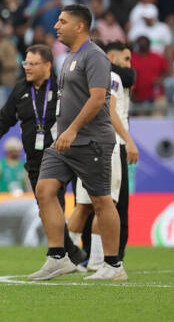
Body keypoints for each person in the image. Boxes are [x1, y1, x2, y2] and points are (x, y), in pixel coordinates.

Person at [30, 4, 125, 281]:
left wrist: (71, 130)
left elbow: (98, 99)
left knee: (101, 201)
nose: (56, 26)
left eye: (62, 21)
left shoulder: (94, 56)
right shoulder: (70, 57)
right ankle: (58, 257)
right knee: (44, 190)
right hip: (64, 141)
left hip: (91, 140)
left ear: (80, 26)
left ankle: (113, 265)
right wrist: (63, 132)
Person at [0, 44, 86, 265]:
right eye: (26, 63)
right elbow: (5, 117)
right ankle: (74, 254)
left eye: (33, 63)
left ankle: (63, 255)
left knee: (55, 205)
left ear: (47, 65)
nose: (27, 68)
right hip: (33, 161)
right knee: (46, 210)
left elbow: (81, 116)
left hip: (60, 157)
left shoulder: (63, 88)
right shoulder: (21, 89)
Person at [69, 41, 139, 268]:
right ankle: (101, 261)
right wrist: (128, 141)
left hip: (85, 145)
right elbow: (110, 112)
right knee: (108, 204)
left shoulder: (82, 79)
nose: (129, 65)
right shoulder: (112, 78)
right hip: (110, 145)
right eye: (126, 59)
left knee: (83, 205)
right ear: (108, 57)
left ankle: (67, 257)